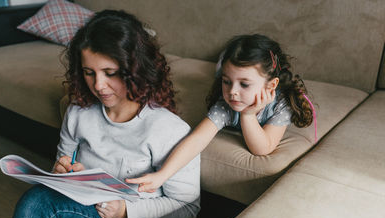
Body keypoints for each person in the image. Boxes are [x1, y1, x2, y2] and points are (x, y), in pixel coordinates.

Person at [0, 9, 200, 218]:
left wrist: (126, 210)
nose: (99, 85)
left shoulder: (168, 129)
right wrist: (63, 171)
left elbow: (188, 207)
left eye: (110, 73)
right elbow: (62, 162)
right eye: (89, 72)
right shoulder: (78, 112)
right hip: (75, 212)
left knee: (38, 205)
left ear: (133, 68)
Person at [126, 34, 315, 193]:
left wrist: (248, 115)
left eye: (244, 84)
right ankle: (222, 68)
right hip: (226, 71)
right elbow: (197, 139)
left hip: (270, 94)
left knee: (225, 70)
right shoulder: (226, 104)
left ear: (271, 85)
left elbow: (263, 148)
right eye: (227, 82)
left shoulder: (282, 104)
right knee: (221, 70)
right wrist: (162, 175)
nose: (233, 91)